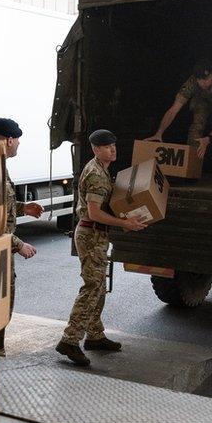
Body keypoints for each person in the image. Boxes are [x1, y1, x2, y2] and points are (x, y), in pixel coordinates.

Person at [56, 129, 146, 366]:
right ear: (96, 149)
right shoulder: (96, 174)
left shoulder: (103, 169)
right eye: (107, 146)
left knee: (99, 286)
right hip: (90, 234)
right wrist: (124, 223)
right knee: (92, 287)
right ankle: (69, 340)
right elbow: (95, 212)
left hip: (95, 235)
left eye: (114, 145)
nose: (113, 149)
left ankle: (94, 336)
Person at [0, 118, 44, 356]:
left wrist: (23, 208)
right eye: (18, 139)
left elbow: (2, 205)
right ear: (10, 140)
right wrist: (19, 245)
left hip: (1, 251)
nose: (19, 144)